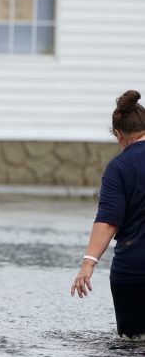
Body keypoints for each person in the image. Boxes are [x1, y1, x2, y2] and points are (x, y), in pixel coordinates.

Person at [71, 90, 145, 337]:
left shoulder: (119, 167)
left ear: (118, 134)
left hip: (134, 273)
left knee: (132, 350)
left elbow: (108, 221)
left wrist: (87, 265)